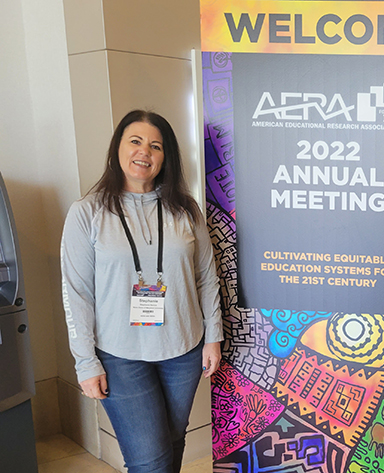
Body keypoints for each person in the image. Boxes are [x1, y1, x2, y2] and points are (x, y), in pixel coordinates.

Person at [61, 110, 223, 473]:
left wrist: (213, 336)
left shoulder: (186, 209)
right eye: (135, 141)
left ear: (166, 157)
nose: (144, 152)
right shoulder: (87, 212)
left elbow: (206, 277)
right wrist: (86, 362)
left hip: (183, 348)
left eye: (156, 146)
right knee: (148, 460)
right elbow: (77, 293)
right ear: (118, 148)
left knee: (171, 441)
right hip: (120, 354)